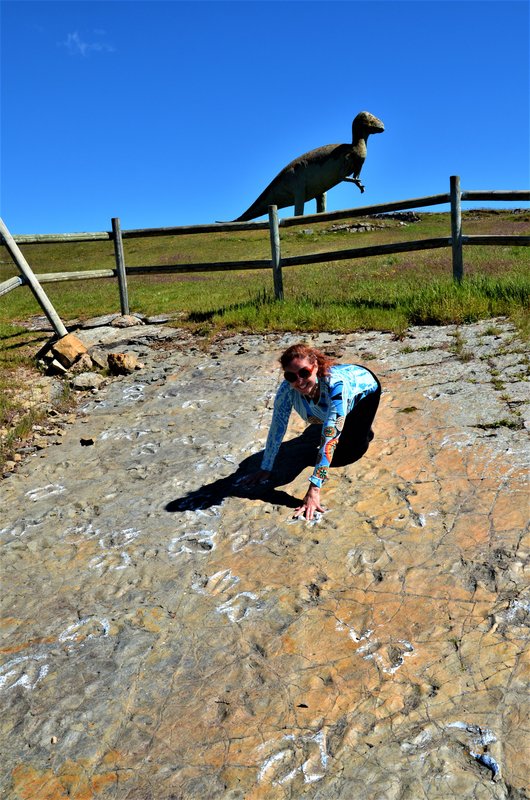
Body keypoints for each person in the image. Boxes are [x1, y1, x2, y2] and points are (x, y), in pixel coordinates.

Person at [244, 343, 381, 520]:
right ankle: (334, 420)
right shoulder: (288, 388)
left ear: (315, 365)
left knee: (350, 452)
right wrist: (266, 466)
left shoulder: (335, 387)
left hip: (364, 391)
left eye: (304, 372)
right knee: (322, 420)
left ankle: (360, 429)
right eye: (290, 376)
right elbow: (278, 425)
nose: (299, 381)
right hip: (330, 397)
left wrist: (314, 489)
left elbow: (330, 438)